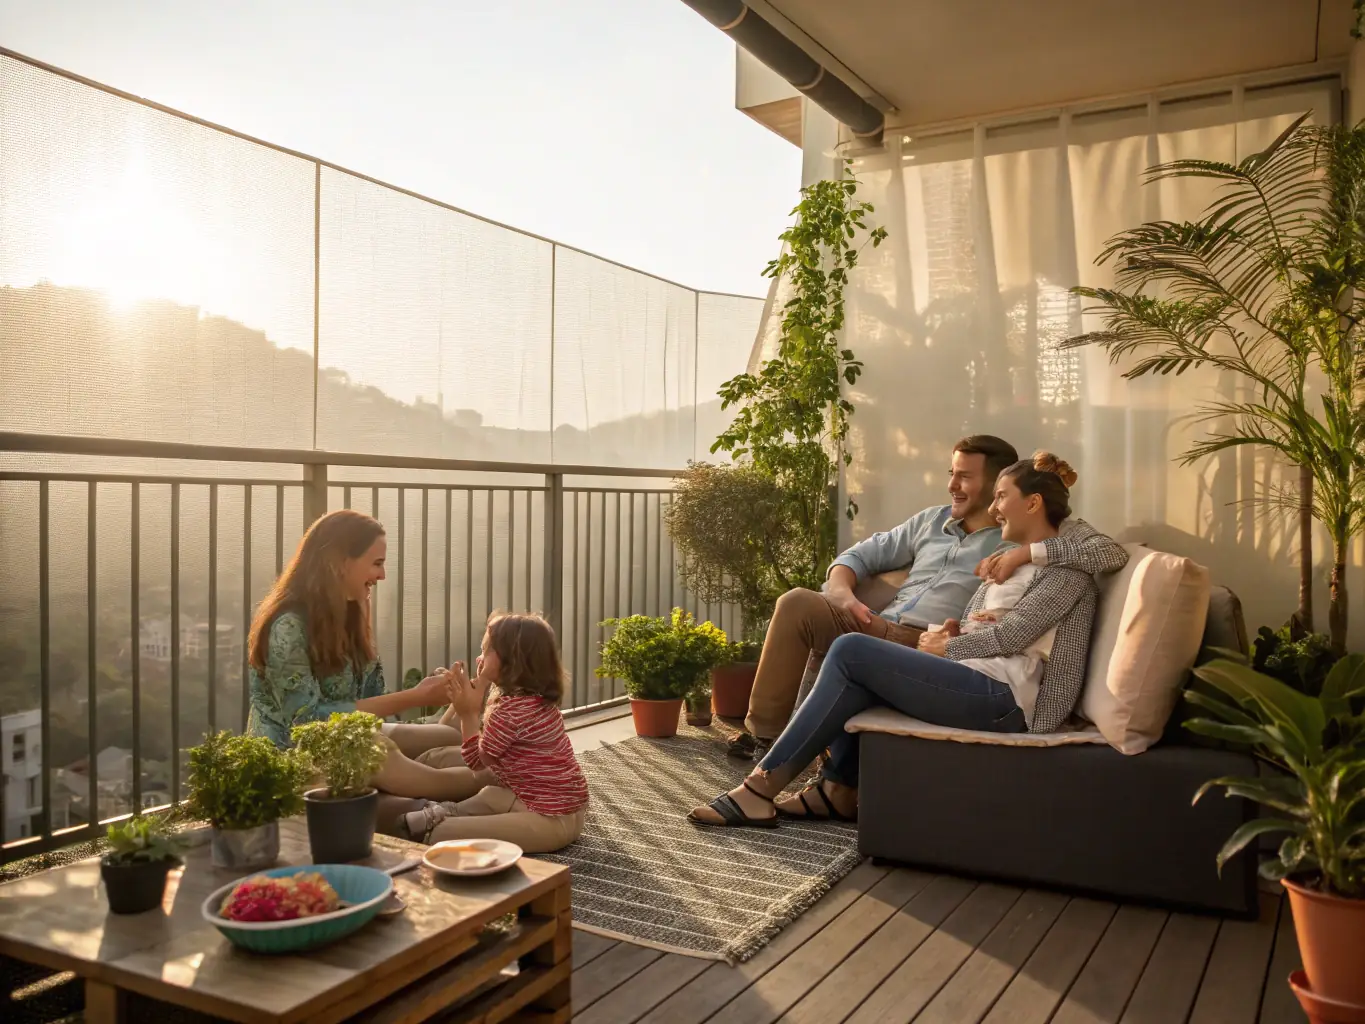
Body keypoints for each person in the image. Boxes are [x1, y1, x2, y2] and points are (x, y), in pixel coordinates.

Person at [690, 452, 1100, 828]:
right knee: (851, 662)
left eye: (1001, 497)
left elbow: (1017, 633)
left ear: (1032, 503)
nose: (994, 509)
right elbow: (992, 625)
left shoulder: (1066, 570)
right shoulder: (1003, 559)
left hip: (1008, 701)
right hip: (975, 676)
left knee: (852, 651)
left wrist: (946, 646)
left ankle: (760, 788)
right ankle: (829, 790)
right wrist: (953, 632)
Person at [730, 434, 1127, 760]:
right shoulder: (931, 521)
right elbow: (861, 555)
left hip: (926, 642)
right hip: (879, 620)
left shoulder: (1015, 541)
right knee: (798, 602)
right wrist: (841, 593)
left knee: (848, 651)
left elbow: (1100, 554)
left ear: (998, 484)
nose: (953, 485)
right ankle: (764, 735)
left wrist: (1025, 553)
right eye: (951, 474)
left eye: (965, 477)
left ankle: (805, 765)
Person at [246, 509, 493, 812]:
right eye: (376, 564)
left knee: (450, 735)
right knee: (379, 752)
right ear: (339, 563)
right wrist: (415, 697)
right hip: (296, 756)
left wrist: (366, 628)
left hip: (350, 738)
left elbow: (370, 702)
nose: (382, 576)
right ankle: (486, 783)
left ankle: (466, 778)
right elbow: (307, 722)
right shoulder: (287, 628)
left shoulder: (349, 611)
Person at [398, 613, 589, 853]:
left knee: (440, 835)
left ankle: (437, 821)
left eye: (486, 650)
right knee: (491, 795)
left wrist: (467, 713)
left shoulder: (511, 712)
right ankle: (443, 812)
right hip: (534, 800)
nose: (479, 657)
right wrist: (475, 691)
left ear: (511, 660)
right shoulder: (532, 699)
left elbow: (476, 762)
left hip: (549, 818)